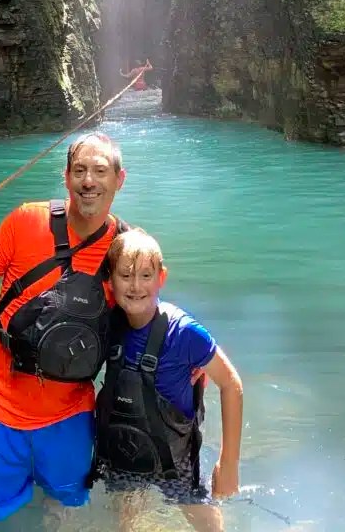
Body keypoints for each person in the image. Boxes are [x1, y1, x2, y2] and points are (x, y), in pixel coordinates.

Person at [0, 132, 127, 532]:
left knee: (65, 512)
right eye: (80, 170)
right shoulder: (26, 221)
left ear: (119, 180)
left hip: (68, 416)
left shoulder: (124, 249)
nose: (89, 181)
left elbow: (145, 318)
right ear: (66, 177)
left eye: (100, 171)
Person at [95, 228, 244, 532]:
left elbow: (231, 385)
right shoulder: (108, 323)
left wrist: (228, 466)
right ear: (110, 282)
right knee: (126, 523)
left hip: (174, 462)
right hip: (123, 456)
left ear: (161, 278)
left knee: (205, 523)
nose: (136, 286)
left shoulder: (185, 333)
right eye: (125, 276)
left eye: (146, 276)